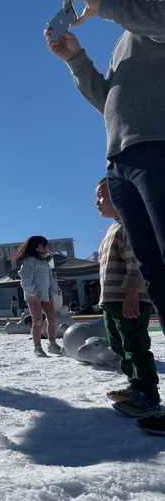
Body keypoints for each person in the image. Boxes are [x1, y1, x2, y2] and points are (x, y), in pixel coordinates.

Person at [45, 0, 165, 333]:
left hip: (158, 144)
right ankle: (147, 387)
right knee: (155, 274)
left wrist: (104, 5)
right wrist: (77, 60)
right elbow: (110, 103)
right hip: (122, 158)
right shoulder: (127, 30)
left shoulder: (150, 8)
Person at [95, 177, 160, 417]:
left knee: (135, 345)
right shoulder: (112, 228)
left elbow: (136, 263)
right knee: (119, 344)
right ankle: (134, 385)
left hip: (128, 299)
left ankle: (147, 394)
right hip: (112, 299)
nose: (97, 202)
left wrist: (132, 292)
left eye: (102, 196)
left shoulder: (130, 225)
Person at [10, 236, 62, 358]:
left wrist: (52, 293)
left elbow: (51, 281)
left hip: (46, 296)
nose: (47, 250)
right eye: (45, 248)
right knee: (37, 321)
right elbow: (25, 279)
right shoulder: (29, 262)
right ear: (37, 248)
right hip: (33, 297)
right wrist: (33, 293)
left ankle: (52, 344)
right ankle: (37, 347)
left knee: (52, 319)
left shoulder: (45, 263)